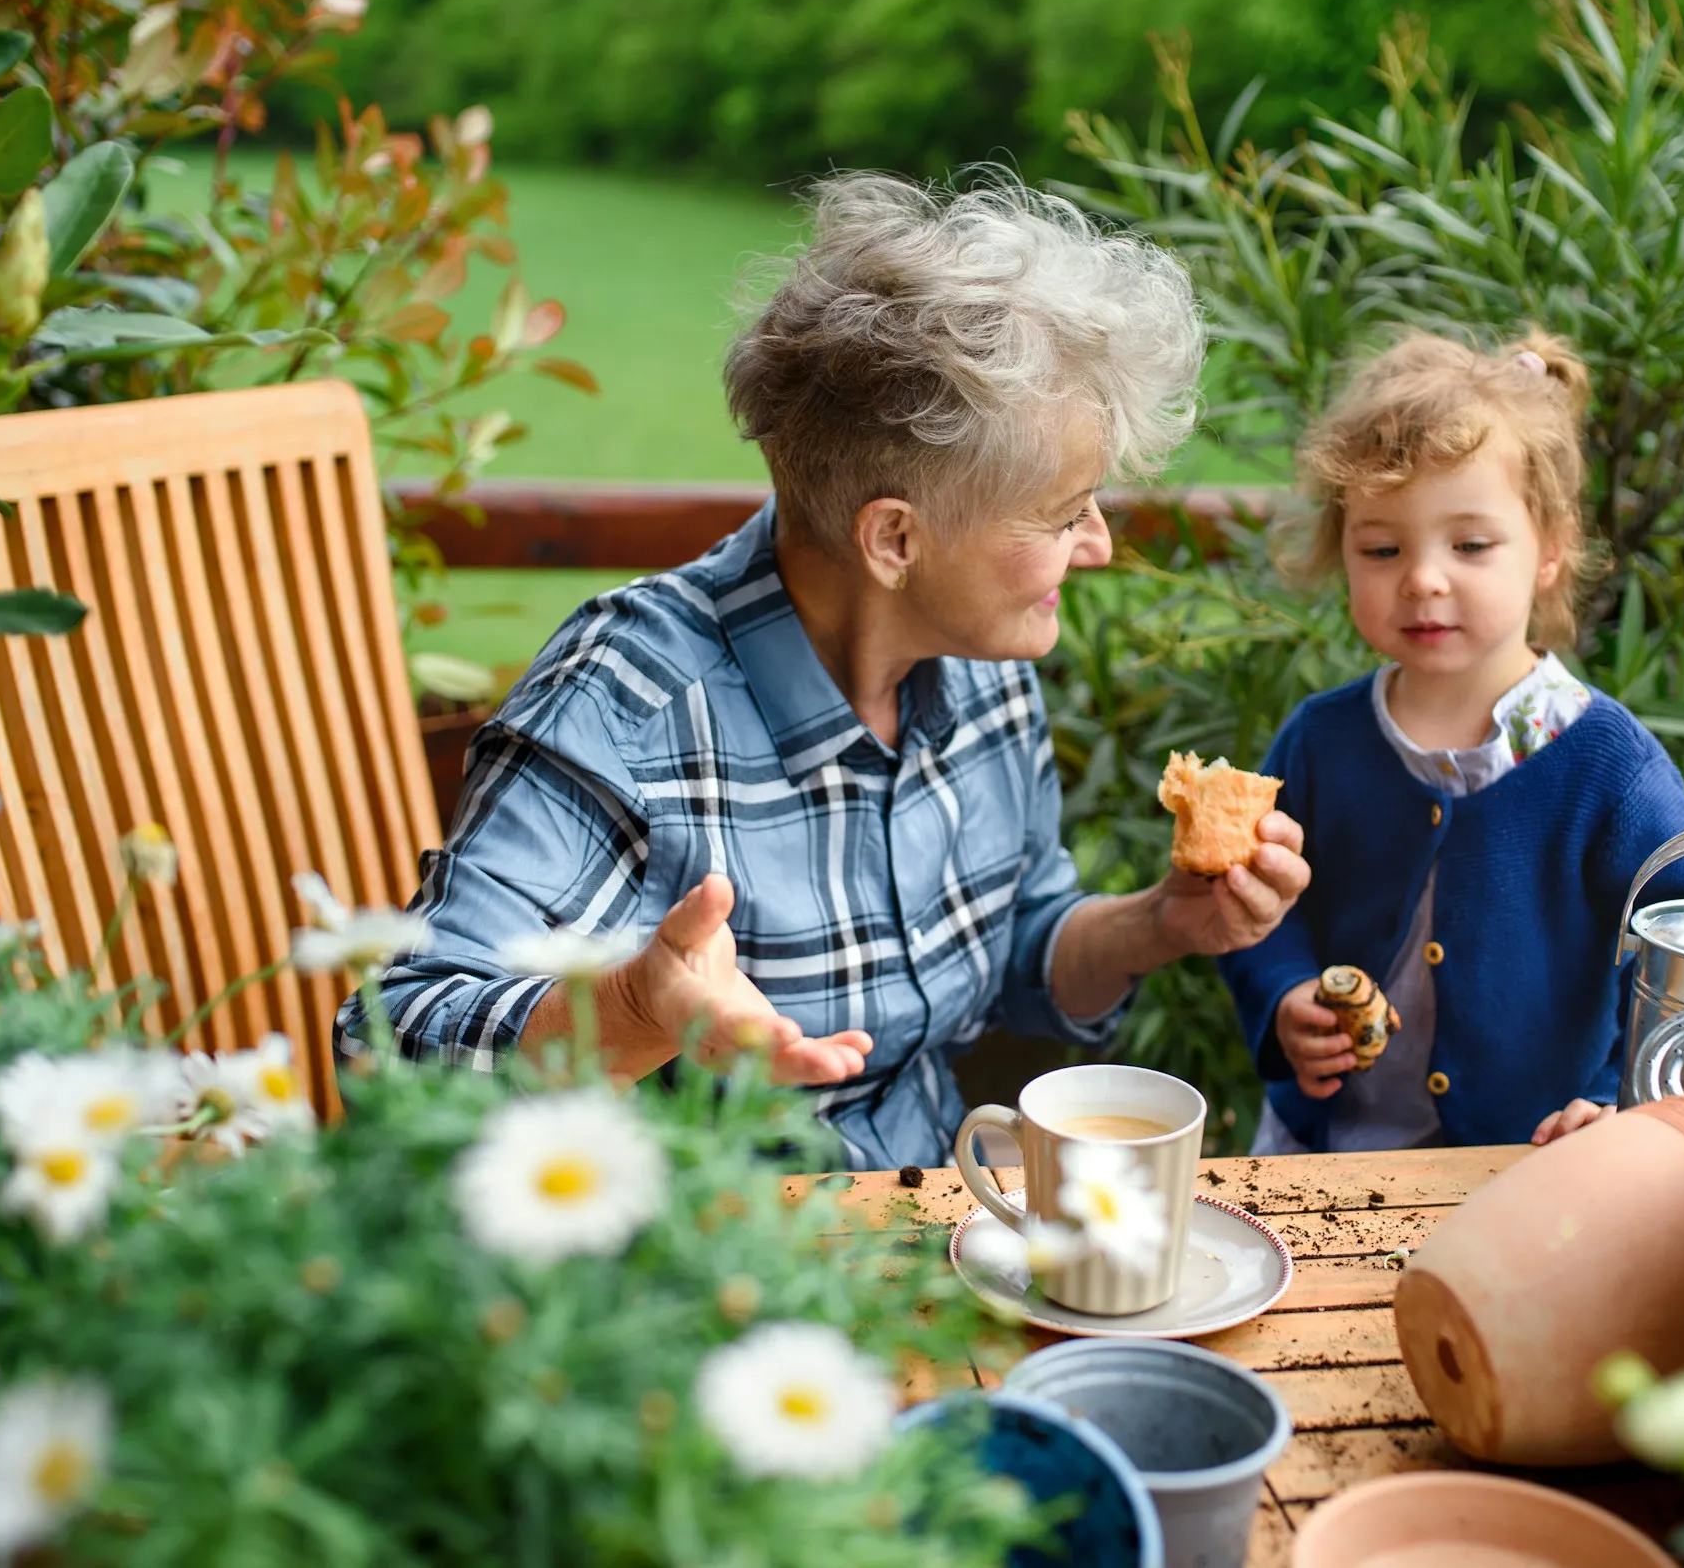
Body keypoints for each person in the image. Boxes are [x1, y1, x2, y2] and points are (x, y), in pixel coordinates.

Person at [350, 172, 1311, 1170]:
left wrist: (1159, 921)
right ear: (896, 539)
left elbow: (1021, 948)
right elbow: (391, 1047)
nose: (1100, 544)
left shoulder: (979, 663)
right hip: (707, 1262)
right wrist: (633, 1011)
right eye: (1065, 513)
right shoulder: (626, 710)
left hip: (935, 1217)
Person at [1216, 330, 1684, 1155]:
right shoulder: (1323, 740)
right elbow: (1255, 907)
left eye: (1470, 545)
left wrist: (1625, 1097)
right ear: (1341, 551)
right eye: (1382, 547)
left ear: (1550, 548)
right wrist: (1282, 996)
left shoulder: (1601, 762)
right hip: (1319, 1158)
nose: (1423, 577)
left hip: (1525, 1166)